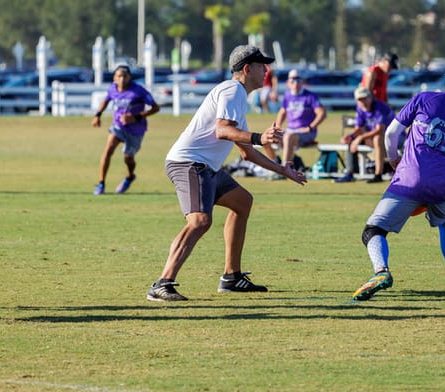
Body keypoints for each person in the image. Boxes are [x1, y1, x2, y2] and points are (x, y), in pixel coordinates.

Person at [147, 45, 307, 302]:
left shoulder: (237, 96)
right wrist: (259, 136)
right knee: (199, 221)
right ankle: (162, 283)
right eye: (261, 65)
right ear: (247, 69)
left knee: (242, 202)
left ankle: (231, 277)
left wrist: (282, 170)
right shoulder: (232, 90)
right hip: (189, 163)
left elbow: (246, 153)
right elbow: (223, 131)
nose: (266, 70)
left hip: (206, 166)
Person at [351, 62, 445, 301]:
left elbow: (391, 134)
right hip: (442, 186)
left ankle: (381, 272)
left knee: (373, 230)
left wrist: (393, 159)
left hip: (409, 179)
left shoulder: (424, 99)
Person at [91, 64, 160, 195]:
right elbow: (106, 101)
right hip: (119, 126)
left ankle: (129, 176)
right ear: (114, 78)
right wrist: (97, 115)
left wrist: (136, 117)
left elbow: (155, 108)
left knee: (128, 158)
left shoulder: (139, 91)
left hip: (136, 130)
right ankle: (101, 184)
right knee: (108, 149)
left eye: (125, 76)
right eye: (119, 76)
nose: (122, 79)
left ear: (130, 77)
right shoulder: (112, 89)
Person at [334, 86, 395, 184]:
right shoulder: (360, 109)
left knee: (377, 138)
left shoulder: (380, 107)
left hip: (394, 139)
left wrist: (360, 138)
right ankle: (350, 173)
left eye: (365, 98)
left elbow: (380, 130)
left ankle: (378, 174)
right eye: (360, 99)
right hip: (373, 138)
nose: (363, 101)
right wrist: (351, 136)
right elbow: (359, 128)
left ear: (370, 97)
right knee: (351, 140)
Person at [271, 69, 327, 167]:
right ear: (288, 83)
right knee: (269, 136)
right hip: (290, 130)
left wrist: (310, 127)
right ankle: (274, 164)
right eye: (292, 81)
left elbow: (322, 113)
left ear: (302, 82)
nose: (295, 84)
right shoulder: (287, 96)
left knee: (288, 137)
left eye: (298, 80)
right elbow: (282, 112)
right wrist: (278, 127)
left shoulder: (310, 96)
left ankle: (284, 169)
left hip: (306, 132)